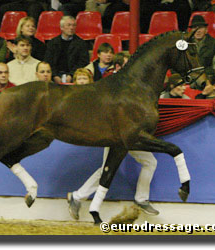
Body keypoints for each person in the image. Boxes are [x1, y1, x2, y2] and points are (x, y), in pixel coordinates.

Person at [67, 52, 159, 219]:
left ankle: (141, 198)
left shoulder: (130, 83)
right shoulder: (113, 82)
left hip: (129, 133)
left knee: (149, 162)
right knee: (109, 168)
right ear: (118, 67)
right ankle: (77, 196)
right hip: (113, 133)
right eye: (126, 64)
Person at [44, 16, 89, 85]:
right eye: (69, 25)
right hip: (55, 76)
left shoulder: (81, 43)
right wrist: (54, 75)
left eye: (74, 25)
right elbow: (48, 61)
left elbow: (83, 62)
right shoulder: (52, 43)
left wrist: (71, 75)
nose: (71, 28)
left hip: (73, 76)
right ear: (61, 27)